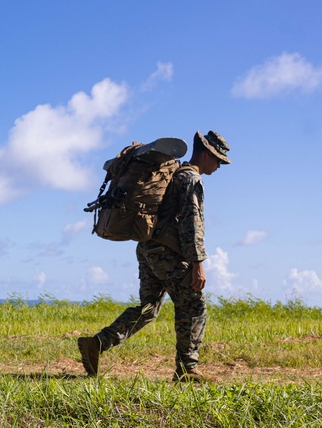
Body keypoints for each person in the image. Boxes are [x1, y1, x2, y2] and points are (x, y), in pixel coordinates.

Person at [78, 131, 231, 382]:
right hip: (168, 253)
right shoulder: (191, 180)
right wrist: (197, 265)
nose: (218, 166)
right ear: (206, 154)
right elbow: (192, 225)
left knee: (148, 308)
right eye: (218, 160)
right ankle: (187, 369)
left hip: (147, 248)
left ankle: (97, 343)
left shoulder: (172, 175)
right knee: (193, 306)